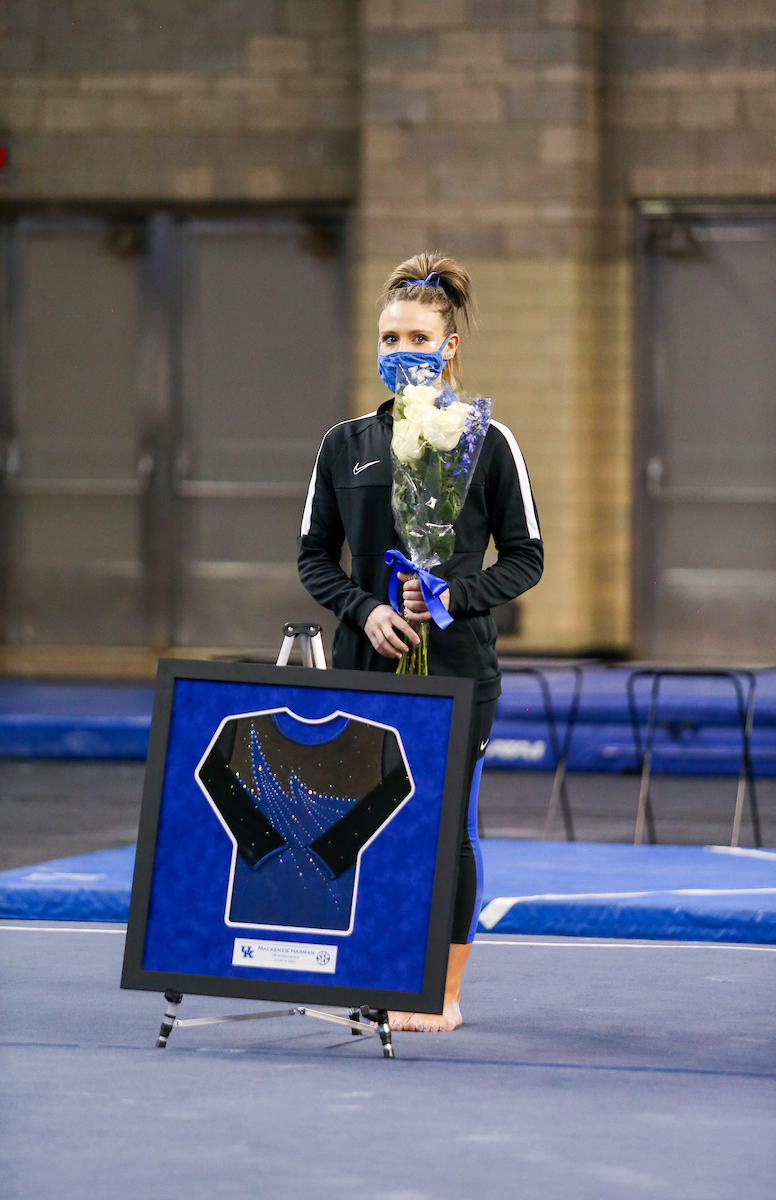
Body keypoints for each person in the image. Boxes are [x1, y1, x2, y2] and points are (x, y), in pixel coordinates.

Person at [297, 252, 543, 1031]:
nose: (399, 348)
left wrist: (452, 596)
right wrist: (365, 608)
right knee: (358, 819)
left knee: (447, 825)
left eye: (415, 336)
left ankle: (442, 988)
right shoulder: (344, 443)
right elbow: (313, 555)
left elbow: (527, 556)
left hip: (460, 669)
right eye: (387, 335)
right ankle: (366, 968)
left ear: (449, 347)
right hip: (368, 662)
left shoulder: (489, 440)